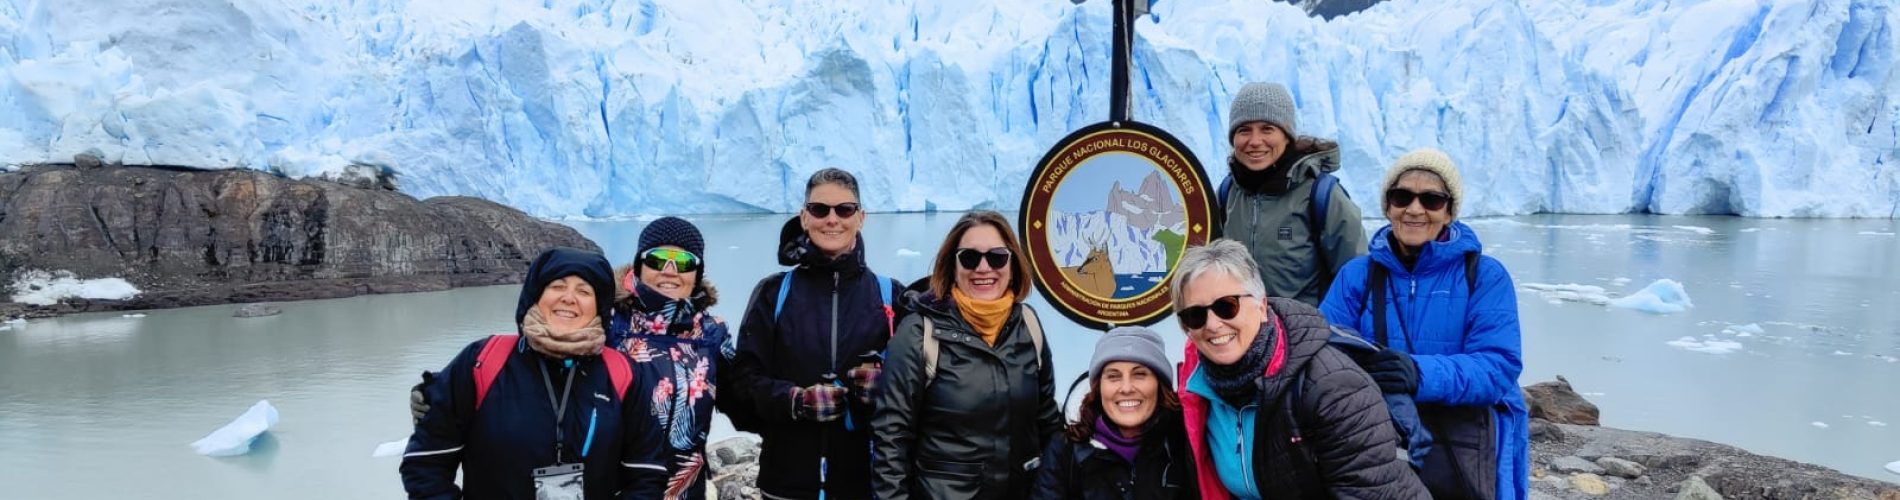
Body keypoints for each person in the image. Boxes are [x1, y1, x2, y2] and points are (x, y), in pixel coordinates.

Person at [1320, 148, 1528, 500]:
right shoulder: (1357, 275)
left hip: (1463, 447)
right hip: (1381, 442)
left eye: (1431, 199)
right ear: (1388, 207)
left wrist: (1418, 374)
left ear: (1449, 211)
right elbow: (1324, 352)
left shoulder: (1484, 276)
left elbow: (1498, 366)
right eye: (1402, 197)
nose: (1414, 209)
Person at [401, 247, 664, 499]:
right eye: (557, 286)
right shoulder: (483, 361)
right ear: (536, 294)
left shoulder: (621, 373)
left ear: (599, 305)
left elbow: (646, 472)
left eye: (584, 291)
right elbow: (426, 461)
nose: (569, 298)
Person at [1172, 239, 1427, 499]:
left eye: (1227, 306)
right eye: (1195, 315)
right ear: (1186, 328)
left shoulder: (1333, 386)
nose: (1213, 324)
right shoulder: (1196, 389)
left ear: (1261, 307)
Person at [716, 168, 906, 500]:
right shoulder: (774, 293)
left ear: (861, 218)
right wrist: (796, 401)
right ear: (804, 218)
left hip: (868, 484)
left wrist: (885, 383)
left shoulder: (890, 295)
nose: (832, 219)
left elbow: (920, 383)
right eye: (820, 210)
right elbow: (744, 381)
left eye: (844, 210)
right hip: (787, 482)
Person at [872, 210, 1061, 500]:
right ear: (952, 265)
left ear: (1012, 263)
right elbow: (891, 440)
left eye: (997, 256)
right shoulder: (919, 332)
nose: (984, 268)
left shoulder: (1028, 325)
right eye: (970, 258)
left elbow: (1048, 424)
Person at [607, 216, 729, 499]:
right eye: (658, 259)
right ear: (639, 265)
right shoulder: (609, 323)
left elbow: (745, 397)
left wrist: (790, 398)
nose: (671, 271)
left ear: (697, 274)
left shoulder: (712, 332)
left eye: (684, 262)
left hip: (685, 490)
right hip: (617, 488)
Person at [1218, 82, 1367, 307]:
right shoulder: (1227, 193)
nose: (1255, 141)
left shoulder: (1321, 195)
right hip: (1240, 334)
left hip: (1304, 337)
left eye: (1267, 129)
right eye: (1244, 130)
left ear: (1287, 136)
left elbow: (1356, 283)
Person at [1032, 326, 1196, 499]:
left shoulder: (1183, 442)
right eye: (1113, 376)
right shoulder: (1065, 450)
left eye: (1139, 374)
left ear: (1159, 384)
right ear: (1098, 387)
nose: (1126, 388)